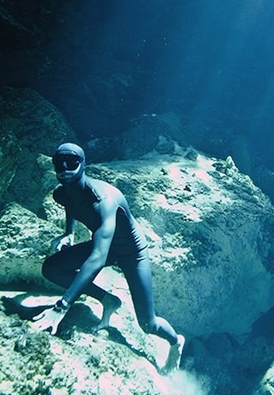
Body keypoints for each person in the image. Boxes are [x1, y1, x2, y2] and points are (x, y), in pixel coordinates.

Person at [31, 142, 184, 373]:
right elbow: (70, 204)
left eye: (71, 162)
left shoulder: (104, 201)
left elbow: (97, 259)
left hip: (132, 253)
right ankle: (108, 300)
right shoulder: (61, 193)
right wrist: (68, 232)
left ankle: (176, 342)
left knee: (147, 323)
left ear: (83, 164)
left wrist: (62, 306)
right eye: (59, 163)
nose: (65, 168)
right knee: (51, 268)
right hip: (107, 247)